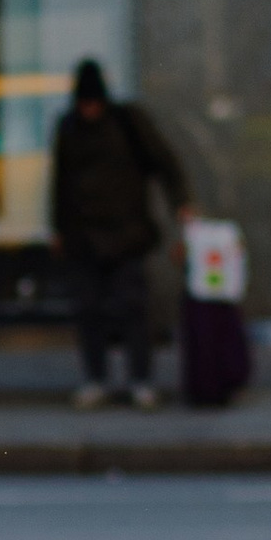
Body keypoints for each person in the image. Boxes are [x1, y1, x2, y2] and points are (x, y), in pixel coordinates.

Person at [48, 56, 189, 412]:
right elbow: (61, 184)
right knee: (89, 310)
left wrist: (182, 204)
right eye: (85, 104)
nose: (90, 110)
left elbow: (165, 163)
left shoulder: (128, 122)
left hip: (127, 234)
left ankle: (139, 379)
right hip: (84, 236)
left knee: (132, 309)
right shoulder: (68, 128)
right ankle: (96, 379)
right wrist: (58, 228)